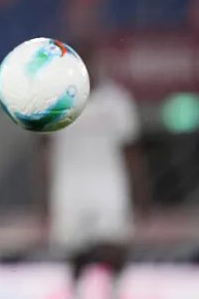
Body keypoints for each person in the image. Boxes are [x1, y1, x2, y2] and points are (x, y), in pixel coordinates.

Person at [38, 42, 148, 299]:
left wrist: (140, 193)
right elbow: (43, 150)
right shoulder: (55, 103)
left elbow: (131, 151)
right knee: (75, 249)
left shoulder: (117, 101)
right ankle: (77, 292)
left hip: (109, 185)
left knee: (113, 244)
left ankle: (114, 291)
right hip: (70, 186)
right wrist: (43, 197)